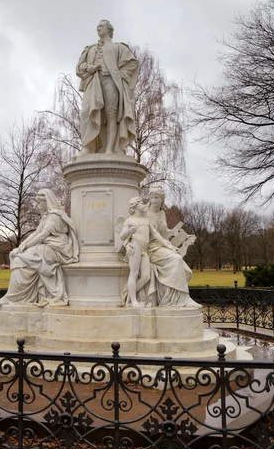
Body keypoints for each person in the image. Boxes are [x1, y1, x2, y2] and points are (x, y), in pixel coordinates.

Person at [0, 190, 79, 307]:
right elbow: (36, 233)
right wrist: (22, 246)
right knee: (18, 258)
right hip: (49, 246)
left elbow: (43, 235)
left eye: (40, 203)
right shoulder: (47, 216)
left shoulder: (55, 216)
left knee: (20, 259)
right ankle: (15, 297)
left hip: (58, 249)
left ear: (47, 201)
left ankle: (14, 297)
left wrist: (26, 247)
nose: (38, 206)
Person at [76, 20, 138, 154]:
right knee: (89, 112)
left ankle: (110, 149)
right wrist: (89, 67)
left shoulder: (119, 47)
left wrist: (119, 75)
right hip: (94, 82)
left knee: (111, 116)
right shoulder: (90, 49)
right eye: (97, 26)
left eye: (101, 26)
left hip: (111, 82)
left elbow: (132, 64)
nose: (98, 28)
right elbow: (79, 67)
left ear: (109, 30)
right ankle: (89, 146)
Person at [146, 185, 200, 307]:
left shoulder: (162, 213)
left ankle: (176, 298)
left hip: (162, 246)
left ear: (162, 199)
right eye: (152, 197)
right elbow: (152, 235)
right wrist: (168, 246)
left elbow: (164, 234)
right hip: (150, 249)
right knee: (176, 260)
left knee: (177, 257)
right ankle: (180, 299)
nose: (154, 200)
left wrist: (175, 240)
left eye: (157, 198)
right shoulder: (145, 213)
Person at [120, 197, 170, 307]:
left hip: (144, 250)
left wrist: (166, 244)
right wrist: (129, 231)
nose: (145, 205)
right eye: (142, 203)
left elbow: (155, 234)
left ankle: (129, 294)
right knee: (134, 273)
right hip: (135, 248)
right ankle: (133, 300)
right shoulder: (129, 221)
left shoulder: (146, 220)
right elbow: (122, 236)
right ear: (136, 206)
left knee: (146, 276)